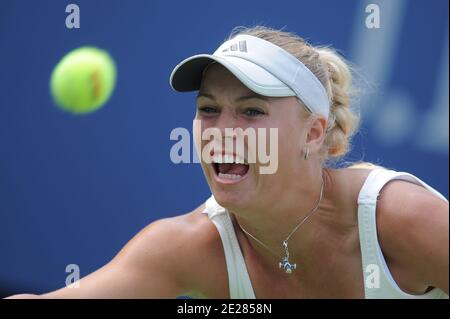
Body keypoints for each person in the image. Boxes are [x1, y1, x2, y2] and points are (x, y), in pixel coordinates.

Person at [7, 26, 448, 299]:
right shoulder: (188, 248)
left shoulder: (403, 220)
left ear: (312, 133)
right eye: (208, 108)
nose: (222, 130)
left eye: (251, 111)